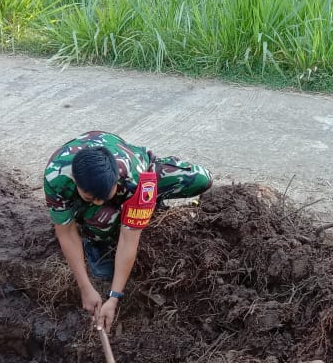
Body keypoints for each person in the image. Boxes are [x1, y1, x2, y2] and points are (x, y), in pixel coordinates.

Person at [43, 130, 212, 330]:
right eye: (90, 198)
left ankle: (143, 203)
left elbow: (128, 239)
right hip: (89, 188)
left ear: (115, 179)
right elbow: (66, 232)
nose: (98, 201)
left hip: (136, 173)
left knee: (202, 179)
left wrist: (114, 298)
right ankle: (95, 242)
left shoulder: (137, 177)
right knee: (102, 219)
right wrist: (85, 287)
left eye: (103, 196)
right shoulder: (56, 178)